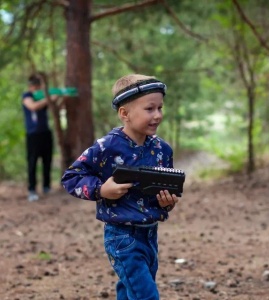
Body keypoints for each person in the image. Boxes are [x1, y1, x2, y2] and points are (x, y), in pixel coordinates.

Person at [61, 74, 180, 299]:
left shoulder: (162, 150)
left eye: (160, 108)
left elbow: (163, 193)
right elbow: (71, 177)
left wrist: (166, 202)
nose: (157, 115)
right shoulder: (107, 147)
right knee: (145, 295)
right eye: (149, 109)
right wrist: (100, 190)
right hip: (122, 236)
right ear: (124, 114)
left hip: (150, 234)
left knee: (130, 290)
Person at [22, 73, 56, 202]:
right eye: (34, 84)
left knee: (47, 160)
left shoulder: (42, 97)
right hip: (33, 134)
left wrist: (58, 97)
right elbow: (33, 106)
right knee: (32, 162)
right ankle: (32, 189)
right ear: (30, 86)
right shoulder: (27, 96)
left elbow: (55, 108)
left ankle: (46, 186)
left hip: (45, 132)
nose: (36, 87)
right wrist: (49, 98)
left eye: (38, 84)